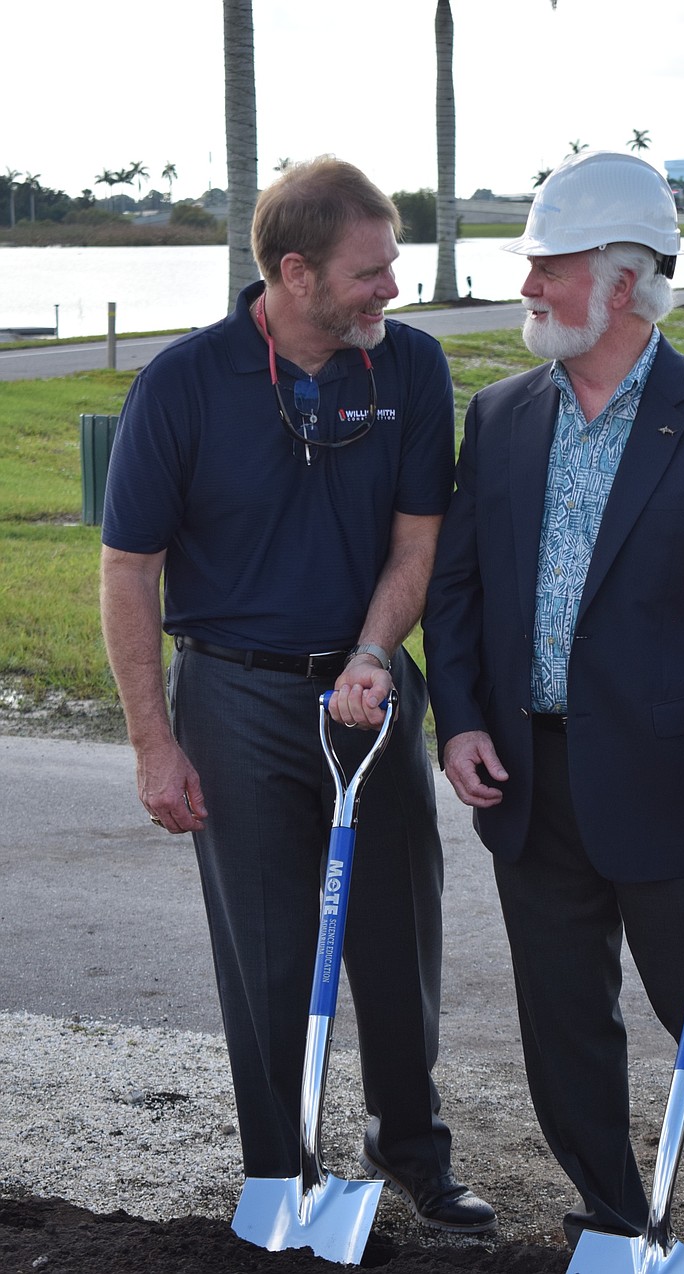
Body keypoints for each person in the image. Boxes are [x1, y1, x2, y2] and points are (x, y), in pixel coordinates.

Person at [423, 151, 684, 1273]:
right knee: (562, 1025)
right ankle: (610, 1216)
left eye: (549, 267)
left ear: (625, 280)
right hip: (527, 779)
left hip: (674, 781)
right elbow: (458, 592)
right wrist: (460, 719)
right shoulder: (500, 416)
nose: (528, 287)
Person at [100, 156, 495, 1235]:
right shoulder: (182, 384)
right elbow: (129, 569)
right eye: (370, 272)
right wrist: (152, 744)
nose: (392, 288)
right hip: (234, 697)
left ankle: (409, 1145)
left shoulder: (409, 365)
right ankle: (285, 1174)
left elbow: (418, 539)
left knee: (397, 933)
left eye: (393, 265)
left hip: (369, 690)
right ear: (294, 272)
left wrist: (374, 652)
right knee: (269, 956)